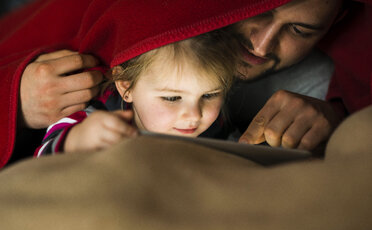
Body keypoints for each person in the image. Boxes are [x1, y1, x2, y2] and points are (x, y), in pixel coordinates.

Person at [0, 0, 371, 168]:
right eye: (258, 9)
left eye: (300, 30)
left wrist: (339, 115)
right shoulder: (110, 95)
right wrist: (15, 101)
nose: (261, 45)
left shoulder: (326, 73)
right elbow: (56, 149)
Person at [34, 29, 238, 156]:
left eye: (210, 95)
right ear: (126, 86)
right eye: (172, 98)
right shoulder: (94, 115)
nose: (195, 115)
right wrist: (78, 139)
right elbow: (41, 162)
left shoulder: (216, 127)